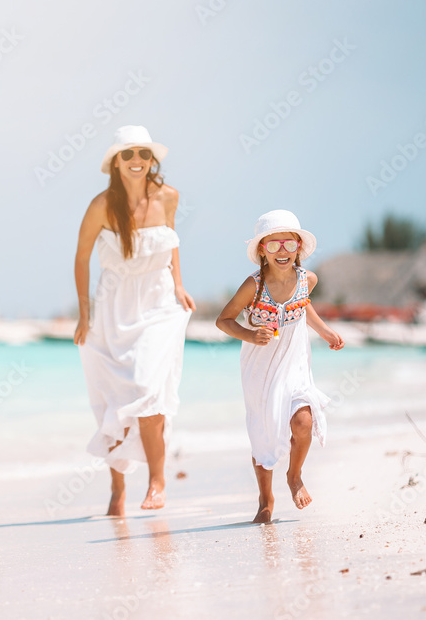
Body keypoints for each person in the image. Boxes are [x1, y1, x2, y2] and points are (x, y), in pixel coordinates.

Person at [73, 125, 195, 517]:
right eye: (128, 155)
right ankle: (117, 487)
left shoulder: (169, 196)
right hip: (115, 306)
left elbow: (171, 242)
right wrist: (84, 312)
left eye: (143, 154)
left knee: (148, 390)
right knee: (116, 401)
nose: (137, 161)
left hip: (159, 304)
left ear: (151, 159)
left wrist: (178, 284)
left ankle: (157, 482)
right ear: (115, 163)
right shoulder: (101, 205)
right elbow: (81, 258)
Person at [215, 210, 344, 524]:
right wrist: (249, 334)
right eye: (273, 245)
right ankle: (264, 499)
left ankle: (294, 475)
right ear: (262, 251)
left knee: (303, 421)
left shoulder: (307, 279)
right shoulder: (253, 287)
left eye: (288, 243)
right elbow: (223, 320)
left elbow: (303, 305)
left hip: (295, 361)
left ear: (299, 246)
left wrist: (325, 331)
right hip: (260, 367)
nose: (282, 251)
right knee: (264, 432)